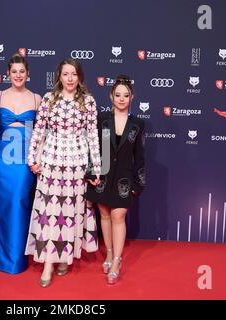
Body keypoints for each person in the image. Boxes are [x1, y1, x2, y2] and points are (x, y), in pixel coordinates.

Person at [25, 58, 101, 287]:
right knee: (50, 212)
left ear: (80, 77)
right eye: (65, 74)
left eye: (74, 74)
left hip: (77, 166)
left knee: (70, 212)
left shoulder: (88, 102)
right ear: (59, 76)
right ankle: (48, 262)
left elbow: (93, 137)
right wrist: (32, 159)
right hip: (50, 163)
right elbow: (39, 130)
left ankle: (64, 257)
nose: (69, 79)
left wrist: (96, 168)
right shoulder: (48, 99)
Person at [85, 75, 145, 284]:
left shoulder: (137, 124)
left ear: (132, 97)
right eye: (117, 95)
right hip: (103, 175)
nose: (121, 99)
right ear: (111, 96)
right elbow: (95, 149)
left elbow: (140, 156)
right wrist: (92, 173)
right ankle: (109, 253)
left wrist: (138, 183)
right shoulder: (102, 119)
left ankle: (117, 261)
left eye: (125, 95)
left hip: (125, 179)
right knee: (105, 215)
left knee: (119, 216)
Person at [0, 54, 41, 274]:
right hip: (1, 159)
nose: (18, 75)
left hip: (24, 159)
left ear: (28, 74)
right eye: (14, 71)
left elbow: (42, 133)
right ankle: (2, 259)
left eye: (22, 71)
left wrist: (38, 157)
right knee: (2, 205)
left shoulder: (37, 98)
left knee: (19, 202)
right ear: (8, 73)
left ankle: (18, 259)